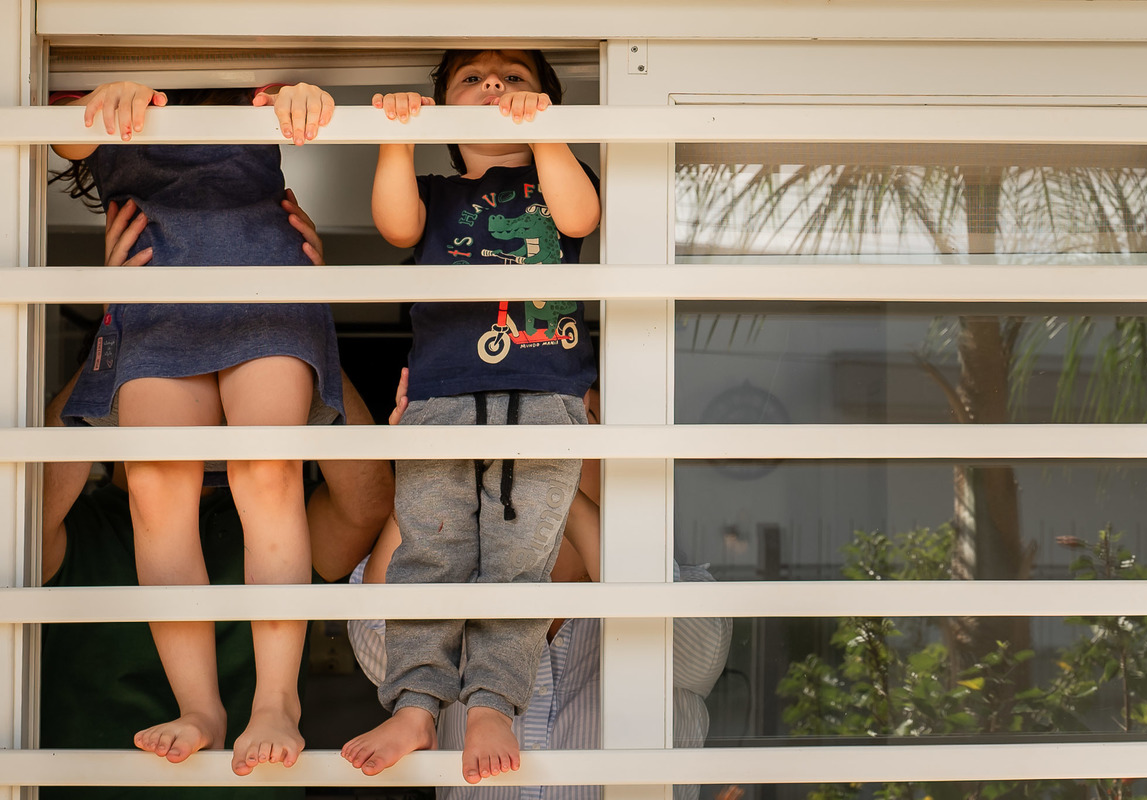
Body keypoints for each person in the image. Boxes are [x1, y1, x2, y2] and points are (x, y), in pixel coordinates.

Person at [38, 201, 394, 799]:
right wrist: (119, 324)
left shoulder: (277, 517)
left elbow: (369, 501)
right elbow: (23, 508)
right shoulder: (81, 533)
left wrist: (301, 324)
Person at [49, 83, 342, 775]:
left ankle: (276, 702)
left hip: (265, 272)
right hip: (151, 283)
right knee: (155, 488)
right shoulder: (104, 60)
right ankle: (200, 708)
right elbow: (64, 134)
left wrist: (304, 94)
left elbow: (304, 96)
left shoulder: (246, 56)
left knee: (266, 472)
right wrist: (109, 93)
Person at [340, 49, 601, 785]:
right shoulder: (434, 194)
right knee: (431, 549)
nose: (494, 85)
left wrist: (546, 134)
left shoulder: (559, 181)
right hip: (441, 396)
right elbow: (395, 226)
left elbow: (581, 215)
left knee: (519, 560)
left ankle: (492, 703)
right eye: (472, 79)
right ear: (447, 117)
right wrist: (398, 138)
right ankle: (416, 704)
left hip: (544, 395)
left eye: (515, 78)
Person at [347, 388, 733, 800]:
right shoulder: (459, 584)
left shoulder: (686, 591)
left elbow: (688, 648)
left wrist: (551, 487)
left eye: (572, 420)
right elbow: (376, 642)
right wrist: (428, 478)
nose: (531, 442)